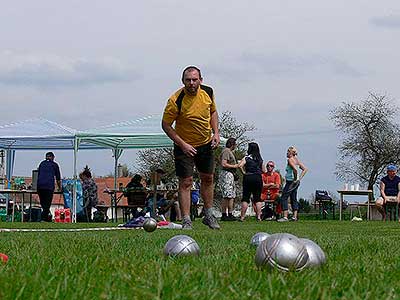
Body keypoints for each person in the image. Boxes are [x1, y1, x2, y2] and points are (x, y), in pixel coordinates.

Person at [162, 66, 220, 230]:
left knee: (208, 178)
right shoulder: (175, 100)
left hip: (205, 143)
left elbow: (213, 112)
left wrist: (216, 133)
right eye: (188, 80)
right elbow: (166, 124)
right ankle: (186, 219)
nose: (192, 83)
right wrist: (182, 144)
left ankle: (208, 215)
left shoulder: (208, 92)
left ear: (201, 80)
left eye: (195, 80)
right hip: (184, 145)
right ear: (183, 81)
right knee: (186, 182)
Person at [278, 146, 308, 222]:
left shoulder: (290, 160)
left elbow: (295, 170)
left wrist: (295, 179)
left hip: (290, 182)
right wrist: (299, 179)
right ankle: (294, 216)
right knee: (293, 198)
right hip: (296, 182)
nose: (286, 153)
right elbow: (305, 169)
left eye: (288, 152)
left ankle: (285, 217)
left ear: (291, 153)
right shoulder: (297, 160)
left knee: (284, 198)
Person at [237, 142, 266, 221]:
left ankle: (242, 217)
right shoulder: (260, 159)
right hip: (257, 177)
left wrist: (244, 172)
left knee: (246, 197)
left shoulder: (247, 157)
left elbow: (240, 165)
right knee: (257, 198)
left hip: (248, 177)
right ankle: (259, 217)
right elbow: (264, 170)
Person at [37, 152, 61, 221]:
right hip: (49, 186)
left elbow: (38, 175)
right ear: (53, 157)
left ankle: (45, 217)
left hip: (40, 186)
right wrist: (59, 188)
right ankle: (44, 218)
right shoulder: (55, 165)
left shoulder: (41, 163)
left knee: (43, 203)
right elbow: (58, 178)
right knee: (47, 203)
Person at [219, 137, 240, 221]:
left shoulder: (229, 151)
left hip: (230, 174)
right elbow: (224, 163)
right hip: (226, 174)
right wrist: (235, 166)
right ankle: (225, 214)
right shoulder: (226, 151)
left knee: (230, 195)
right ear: (232, 144)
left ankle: (229, 213)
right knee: (227, 195)